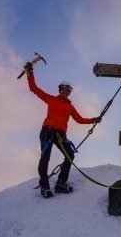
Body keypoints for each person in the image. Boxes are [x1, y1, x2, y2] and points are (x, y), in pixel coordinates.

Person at [23, 62, 101, 198]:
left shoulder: (70, 107)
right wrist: (30, 72)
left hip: (60, 134)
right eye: (63, 89)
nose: (65, 92)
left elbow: (79, 119)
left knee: (70, 155)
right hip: (47, 131)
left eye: (68, 90)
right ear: (60, 90)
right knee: (45, 158)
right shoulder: (51, 100)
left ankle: (60, 183)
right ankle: (44, 185)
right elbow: (34, 89)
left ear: (70, 93)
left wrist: (93, 120)